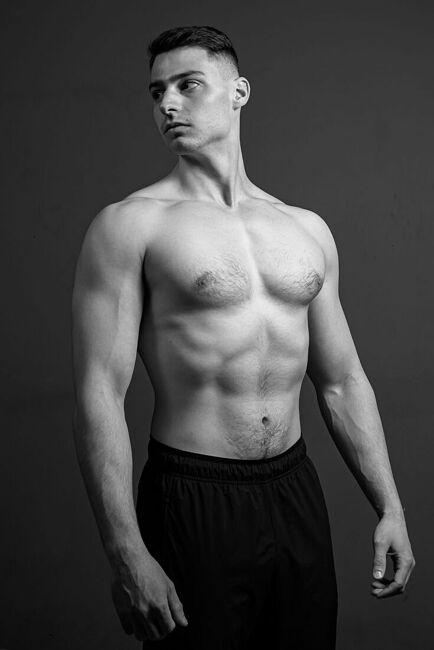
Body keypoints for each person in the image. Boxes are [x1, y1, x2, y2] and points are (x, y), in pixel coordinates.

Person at [71, 25, 415, 649]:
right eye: (157, 92)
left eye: (188, 85)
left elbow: (341, 381)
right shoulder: (130, 226)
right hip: (192, 498)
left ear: (239, 92)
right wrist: (126, 552)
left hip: (294, 491)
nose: (168, 104)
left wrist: (389, 507)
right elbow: (100, 392)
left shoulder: (306, 229)